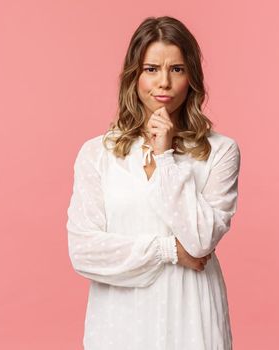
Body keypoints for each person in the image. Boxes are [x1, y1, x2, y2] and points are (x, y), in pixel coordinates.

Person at [66, 16, 241, 350]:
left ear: (191, 77)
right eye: (151, 69)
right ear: (134, 76)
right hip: (121, 322)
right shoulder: (97, 154)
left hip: (192, 316)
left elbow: (201, 240)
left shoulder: (220, 151)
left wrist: (164, 158)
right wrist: (168, 250)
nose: (163, 82)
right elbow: (84, 252)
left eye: (176, 69)